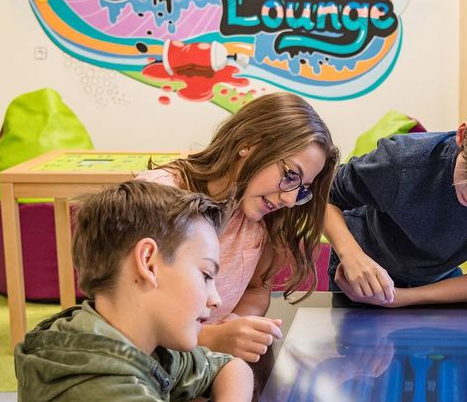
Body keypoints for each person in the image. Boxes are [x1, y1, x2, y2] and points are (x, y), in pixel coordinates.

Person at [0, 180, 467, 402]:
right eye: (206, 274)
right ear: (148, 262)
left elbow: (228, 367)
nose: (215, 299)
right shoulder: (99, 392)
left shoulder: (106, 335)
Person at [138, 91, 339, 362]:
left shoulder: (261, 218)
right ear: (248, 144)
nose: (291, 200)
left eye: (302, 188)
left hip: (208, 365)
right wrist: (211, 338)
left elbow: (257, 289)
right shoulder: (159, 195)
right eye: (291, 175)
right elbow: (128, 314)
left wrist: (236, 322)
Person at [324, 96, 467, 307]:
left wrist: (400, 299)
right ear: (462, 136)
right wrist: (350, 254)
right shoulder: (402, 162)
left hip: (436, 281)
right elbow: (325, 196)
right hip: (364, 268)